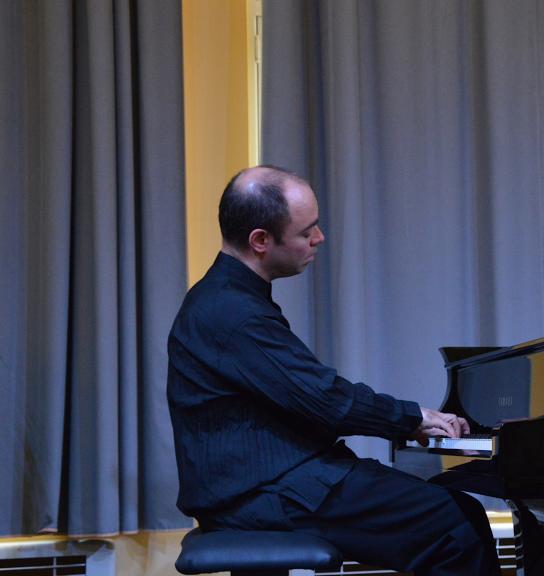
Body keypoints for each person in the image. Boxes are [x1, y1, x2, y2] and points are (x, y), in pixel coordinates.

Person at [166, 165, 501, 575]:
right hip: (262, 492)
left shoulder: (227, 297)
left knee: (458, 514)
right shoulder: (233, 313)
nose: (319, 239)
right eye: (307, 232)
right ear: (260, 241)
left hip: (261, 482)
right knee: (456, 525)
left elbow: (307, 399)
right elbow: (326, 400)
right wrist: (413, 418)